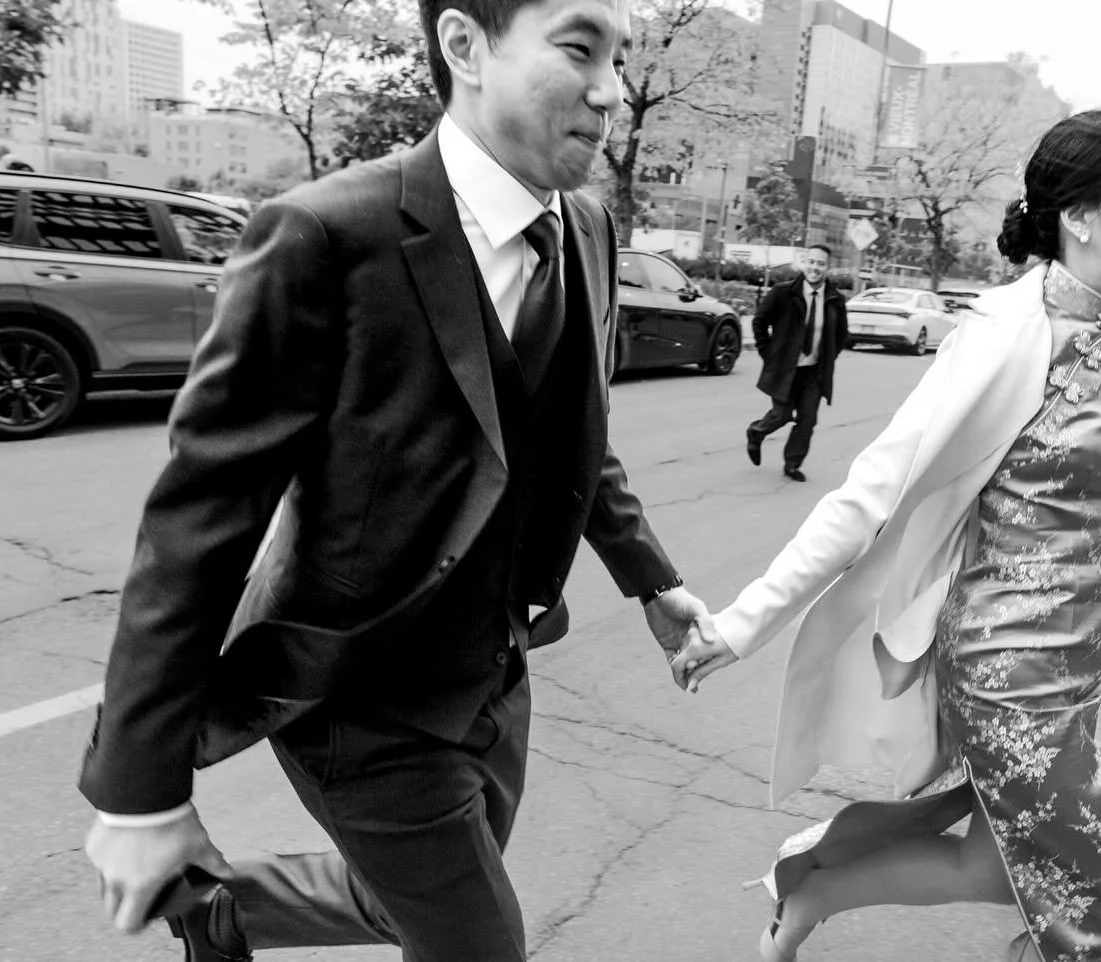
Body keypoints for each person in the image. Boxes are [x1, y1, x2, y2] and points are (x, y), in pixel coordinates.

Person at [79, 1, 719, 960]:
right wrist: (140, 793)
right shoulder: (326, 235)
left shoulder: (585, 226)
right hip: (355, 694)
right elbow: (198, 522)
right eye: (580, 49)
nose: (612, 90)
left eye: (620, 58)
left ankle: (217, 910)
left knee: (403, 904)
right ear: (464, 45)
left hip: (495, 672)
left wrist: (653, 581)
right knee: (478, 942)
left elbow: (571, 433)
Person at [673, 109, 1101, 962]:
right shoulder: (1004, 336)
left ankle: (814, 888)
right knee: (1098, 892)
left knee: (1001, 866)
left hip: (1081, 662)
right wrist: (742, 622)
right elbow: (869, 495)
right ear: (1080, 214)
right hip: (1009, 664)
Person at [746, 244, 849, 482]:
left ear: (828, 267)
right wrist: (769, 354)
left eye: (821, 263)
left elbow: (842, 335)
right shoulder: (783, 293)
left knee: (807, 420)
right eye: (811, 262)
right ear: (804, 263)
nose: (815, 268)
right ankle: (756, 432)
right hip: (785, 369)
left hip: (813, 372)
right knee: (781, 414)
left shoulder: (835, 300)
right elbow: (759, 322)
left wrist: (827, 359)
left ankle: (792, 463)